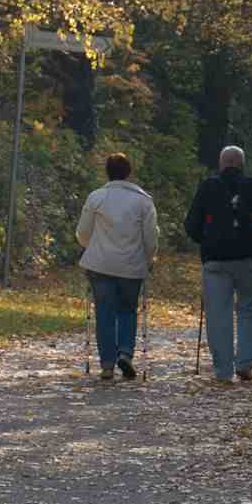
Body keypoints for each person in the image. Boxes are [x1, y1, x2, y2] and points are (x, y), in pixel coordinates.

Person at [184, 145, 252, 383]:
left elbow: (191, 225)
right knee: (249, 310)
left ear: (221, 164)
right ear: (242, 165)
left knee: (218, 314)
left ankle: (223, 371)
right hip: (249, 260)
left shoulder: (208, 187)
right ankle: (245, 363)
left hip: (215, 260)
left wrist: (205, 242)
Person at [76, 152, 159, 380]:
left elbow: (83, 233)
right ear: (129, 173)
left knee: (104, 312)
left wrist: (90, 245)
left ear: (107, 172)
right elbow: (150, 238)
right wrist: (149, 257)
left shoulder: (96, 197)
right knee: (127, 309)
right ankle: (125, 352)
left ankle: (107, 364)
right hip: (131, 266)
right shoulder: (144, 201)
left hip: (100, 265)